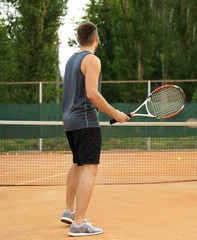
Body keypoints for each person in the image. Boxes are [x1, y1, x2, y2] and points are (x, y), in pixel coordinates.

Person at [60, 21, 130, 237]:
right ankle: (78, 223)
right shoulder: (92, 59)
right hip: (86, 121)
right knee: (90, 168)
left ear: (78, 39)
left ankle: (70, 211)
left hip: (70, 122)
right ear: (97, 39)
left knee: (77, 164)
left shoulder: (71, 60)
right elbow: (92, 93)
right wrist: (115, 113)